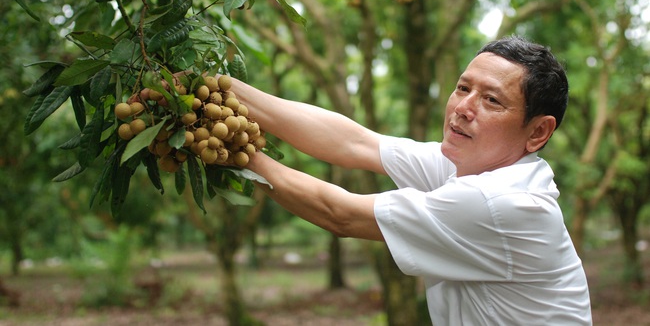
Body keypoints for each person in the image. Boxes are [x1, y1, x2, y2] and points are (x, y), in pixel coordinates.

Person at [228, 36, 592, 325]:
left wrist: (235, 148)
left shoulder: (500, 202)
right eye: (463, 88)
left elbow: (338, 214)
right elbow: (353, 142)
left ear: (538, 131)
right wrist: (227, 89)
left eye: (492, 100)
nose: (463, 108)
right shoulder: (466, 164)